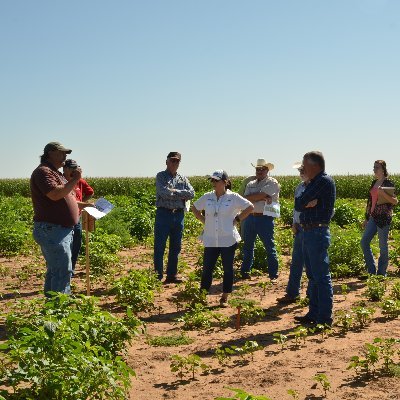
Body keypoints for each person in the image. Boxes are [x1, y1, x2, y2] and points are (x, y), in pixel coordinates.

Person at [192, 170, 254, 306]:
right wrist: (203, 220)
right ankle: (202, 297)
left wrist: (237, 219)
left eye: (216, 180)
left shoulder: (233, 197)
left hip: (228, 239)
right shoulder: (207, 197)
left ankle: (225, 297)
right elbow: (194, 207)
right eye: (212, 180)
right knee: (207, 269)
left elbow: (250, 207)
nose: (213, 183)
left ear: (225, 182)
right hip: (210, 239)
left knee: (227, 269)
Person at [30, 141, 81, 295]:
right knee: (61, 270)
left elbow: (68, 197)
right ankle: (59, 311)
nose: (65, 156)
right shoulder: (43, 172)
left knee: (56, 270)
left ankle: (53, 307)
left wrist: (87, 205)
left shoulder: (56, 173)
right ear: (50, 153)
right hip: (52, 229)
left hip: (60, 230)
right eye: (62, 153)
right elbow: (55, 194)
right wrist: (75, 179)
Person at [293, 151, 336, 327]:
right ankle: (314, 313)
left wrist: (307, 202)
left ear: (314, 166)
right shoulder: (314, 182)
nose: (302, 168)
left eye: (304, 164)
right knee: (313, 275)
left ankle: (324, 318)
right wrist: (307, 202)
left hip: (316, 232)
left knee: (321, 276)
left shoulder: (323, 181)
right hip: (308, 231)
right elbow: (299, 203)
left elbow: (301, 202)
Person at [154, 151, 195, 283]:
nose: (174, 163)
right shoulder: (160, 176)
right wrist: (181, 194)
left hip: (178, 214)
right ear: (166, 162)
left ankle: (171, 275)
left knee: (176, 246)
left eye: (177, 161)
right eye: (172, 160)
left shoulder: (183, 178)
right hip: (163, 214)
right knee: (160, 246)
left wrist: (174, 191)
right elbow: (164, 193)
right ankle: (158, 275)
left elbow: (192, 193)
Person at [240, 158, 280, 281]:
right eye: (257, 169)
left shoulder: (273, 182)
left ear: (267, 170)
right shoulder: (250, 183)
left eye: (262, 169)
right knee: (247, 246)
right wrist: (260, 197)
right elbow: (244, 199)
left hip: (265, 218)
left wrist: (259, 196)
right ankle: (245, 272)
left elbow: (258, 195)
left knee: (269, 246)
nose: (259, 171)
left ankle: (273, 274)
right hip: (249, 217)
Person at [277, 163, 311, 304]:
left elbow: (328, 210)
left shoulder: (317, 187)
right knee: (296, 262)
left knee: (311, 264)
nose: (301, 173)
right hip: (299, 228)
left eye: (303, 170)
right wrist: (294, 223)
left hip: (311, 228)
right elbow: (296, 208)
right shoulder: (300, 187)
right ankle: (292, 293)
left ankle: (311, 295)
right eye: (300, 171)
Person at [360, 160, 398, 276]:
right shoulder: (374, 183)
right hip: (373, 217)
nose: (374, 169)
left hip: (383, 218)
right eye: (374, 167)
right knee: (364, 242)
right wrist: (366, 218)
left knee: (383, 246)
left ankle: (381, 273)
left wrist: (383, 193)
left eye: (377, 167)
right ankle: (371, 270)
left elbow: (395, 201)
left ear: (383, 169)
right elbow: (370, 202)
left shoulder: (388, 183)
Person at [63, 159, 94, 275]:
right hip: (64, 219)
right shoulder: (62, 181)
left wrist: (82, 202)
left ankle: (71, 270)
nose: (73, 170)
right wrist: (85, 204)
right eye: (71, 168)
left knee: (76, 245)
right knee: (66, 246)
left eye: (75, 168)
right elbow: (70, 201)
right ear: (65, 168)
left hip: (77, 218)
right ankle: (65, 271)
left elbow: (90, 192)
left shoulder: (79, 181)